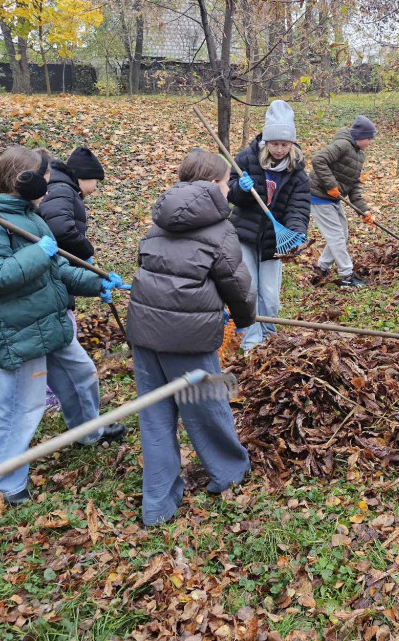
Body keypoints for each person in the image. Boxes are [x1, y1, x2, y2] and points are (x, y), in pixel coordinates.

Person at [0, 145, 127, 505]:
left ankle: (88, 430)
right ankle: (1, 481)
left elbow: (55, 269)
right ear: (27, 180)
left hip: (48, 318)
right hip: (20, 328)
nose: (51, 183)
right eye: (46, 176)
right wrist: (39, 252)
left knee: (81, 374)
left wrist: (95, 282)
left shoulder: (28, 215)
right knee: (22, 404)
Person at [127, 149, 257, 525]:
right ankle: (228, 473)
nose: (229, 187)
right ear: (213, 185)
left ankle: (157, 504)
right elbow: (237, 283)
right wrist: (244, 318)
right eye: (225, 182)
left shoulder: (160, 219)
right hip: (188, 339)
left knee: (154, 417)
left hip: (145, 333)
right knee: (207, 406)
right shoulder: (219, 229)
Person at [227, 100, 310, 350]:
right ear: (265, 141)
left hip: (274, 239)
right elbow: (229, 191)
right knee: (248, 289)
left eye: (285, 144)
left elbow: (298, 208)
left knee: (270, 297)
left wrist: (296, 233)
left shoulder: (298, 174)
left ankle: (269, 335)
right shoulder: (246, 159)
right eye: (274, 143)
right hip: (246, 234)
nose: (279, 149)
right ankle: (251, 341)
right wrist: (240, 190)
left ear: (292, 145)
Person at [39, 146, 106, 411]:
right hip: (49, 271)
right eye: (95, 182)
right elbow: (60, 229)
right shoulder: (62, 189)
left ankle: (57, 393)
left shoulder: (63, 188)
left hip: (56, 269)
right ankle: (53, 394)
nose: (95, 189)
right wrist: (86, 252)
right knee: (62, 330)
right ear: (82, 176)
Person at [308, 114, 376, 288]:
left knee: (342, 234)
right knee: (336, 236)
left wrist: (363, 210)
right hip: (318, 196)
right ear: (360, 136)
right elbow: (318, 160)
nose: (370, 142)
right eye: (368, 138)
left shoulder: (359, 155)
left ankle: (322, 267)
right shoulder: (343, 145)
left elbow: (354, 185)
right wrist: (331, 185)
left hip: (332, 199)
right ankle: (346, 275)